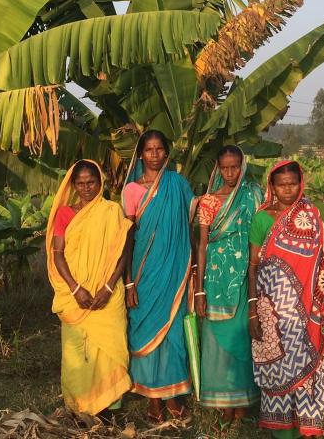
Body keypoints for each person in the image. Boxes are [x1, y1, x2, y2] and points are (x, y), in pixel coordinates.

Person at [247, 160, 324, 438]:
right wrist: (253, 310)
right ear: (272, 186)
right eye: (281, 184)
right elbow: (253, 265)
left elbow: (322, 263)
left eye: (292, 183)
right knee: (277, 369)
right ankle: (282, 428)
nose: (287, 189)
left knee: (309, 368)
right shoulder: (262, 217)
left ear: (301, 183)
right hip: (271, 310)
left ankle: (309, 427)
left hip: (309, 310)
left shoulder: (311, 215)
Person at [45, 160, 132, 417]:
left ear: (100, 182)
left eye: (91, 182)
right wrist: (75, 289)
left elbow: (122, 253)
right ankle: (80, 407)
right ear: (73, 185)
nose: (86, 188)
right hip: (75, 296)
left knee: (109, 350)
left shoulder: (111, 211)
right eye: (80, 183)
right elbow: (58, 254)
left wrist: (108, 286)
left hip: (108, 293)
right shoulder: (65, 214)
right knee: (76, 353)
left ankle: (109, 407)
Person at [122, 130, 195, 423]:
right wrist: (128, 281)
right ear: (140, 155)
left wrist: (192, 266)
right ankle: (153, 401)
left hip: (175, 270)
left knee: (173, 332)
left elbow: (192, 222)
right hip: (144, 272)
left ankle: (174, 396)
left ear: (166, 153)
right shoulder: (131, 191)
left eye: (159, 149)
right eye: (148, 149)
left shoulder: (178, 185)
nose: (154, 154)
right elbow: (126, 239)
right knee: (144, 330)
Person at [193, 146, 262, 429]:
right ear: (218, 169)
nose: (230, 173)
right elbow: (202, 245)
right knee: (216, 342)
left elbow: (259, 235)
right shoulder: (208, 201)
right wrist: (199, 290)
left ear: (242, 166)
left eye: (235, 167)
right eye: (225, 168)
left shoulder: (253, 195)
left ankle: (243, 402)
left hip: (246, 274)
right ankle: (223, 402)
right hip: (215, 277)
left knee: (241, 338)